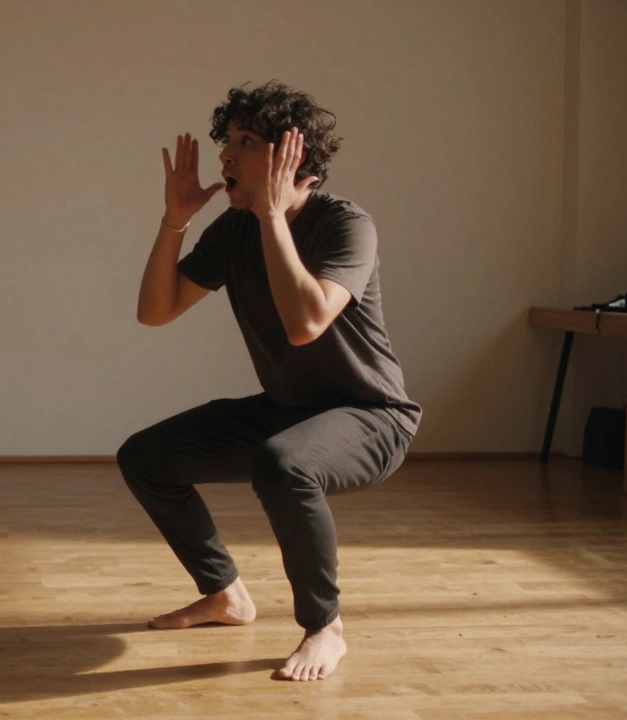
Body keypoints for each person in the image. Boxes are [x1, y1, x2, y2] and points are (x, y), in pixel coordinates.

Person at [117, 81, 421, 682]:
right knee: (145, 457)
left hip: (373, 415)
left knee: (285, 467)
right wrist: (175, 222)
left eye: (246, 142)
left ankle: (325, 628)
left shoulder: (345, 224)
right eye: (226, 140)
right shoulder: (233, 230)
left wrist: (274, 218)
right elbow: (155, 311)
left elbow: (306, 324)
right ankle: (225, 595)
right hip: (287, 410)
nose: (225, 155)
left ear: (290, 155)